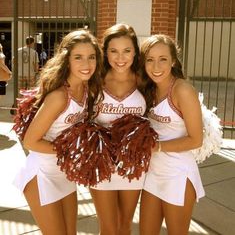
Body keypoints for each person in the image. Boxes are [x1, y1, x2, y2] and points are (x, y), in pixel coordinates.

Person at [13, 29, 103, 235]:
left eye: (91, 57)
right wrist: (73, 151)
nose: (86, 64)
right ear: (67, 60)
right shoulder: (60, 96)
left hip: (65, 173)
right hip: (42, 174)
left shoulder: (89, 91)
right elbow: (30, 141)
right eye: (78, 57)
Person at [139, 34, 205, 235]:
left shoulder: (183, 90)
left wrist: (157, 147)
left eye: (163, 59)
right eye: (150, 60)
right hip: (153, 173)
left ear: (173, 61)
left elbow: (196, 139)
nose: (156, 66)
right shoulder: (148, 89)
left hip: (178, 174)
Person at [89, 23, 146, 235]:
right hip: (100, 162)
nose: (120, 58)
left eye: (126, 51)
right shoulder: (95, 80)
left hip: (133, 163)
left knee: (125, 226)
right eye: (113, 51)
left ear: (135, 52)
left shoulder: (144, 80)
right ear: (105, 53)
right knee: (108, 229)